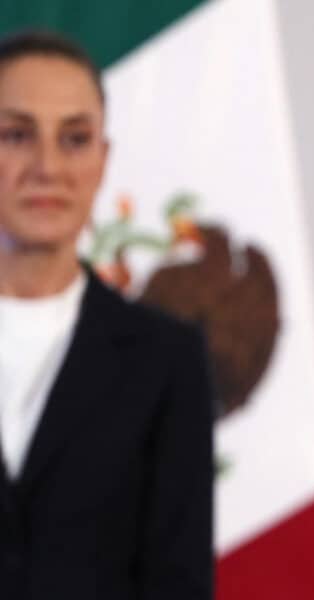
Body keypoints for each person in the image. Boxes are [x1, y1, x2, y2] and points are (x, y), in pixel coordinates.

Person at [0, 31, 214, 598]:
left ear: (102, 157)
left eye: (74, 138)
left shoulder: (167, 362)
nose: (47, 167)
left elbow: (179, 583)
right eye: (17, 135)